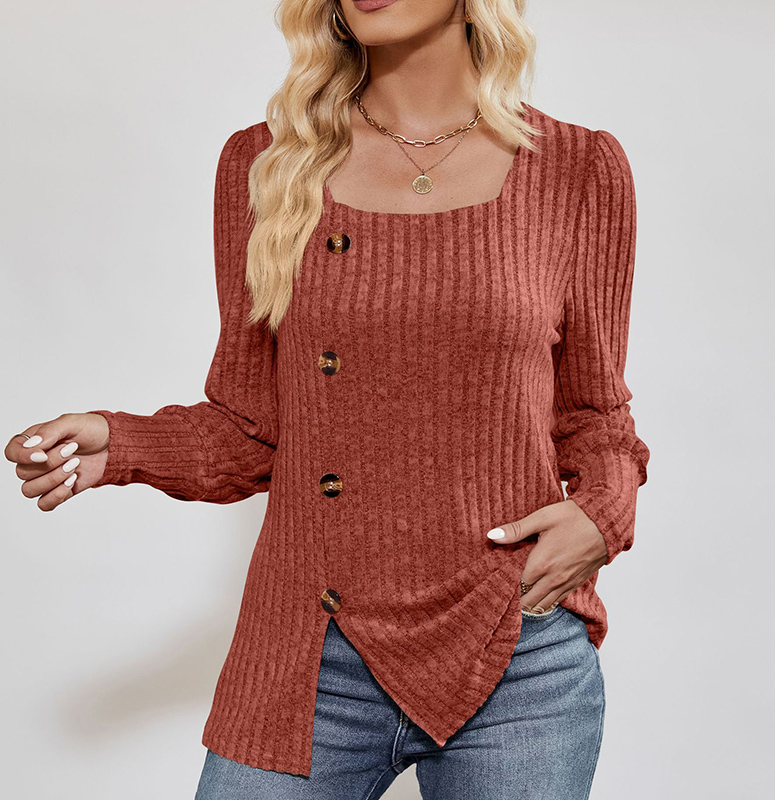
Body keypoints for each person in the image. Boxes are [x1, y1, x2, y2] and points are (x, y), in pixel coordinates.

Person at [6, 1, 650, 797]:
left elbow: (597, 415)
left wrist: (602, 514)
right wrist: (122, 443)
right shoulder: (266, 164)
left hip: (516, 651)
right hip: (310, 652)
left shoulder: (579, 168)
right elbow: (250, 429)